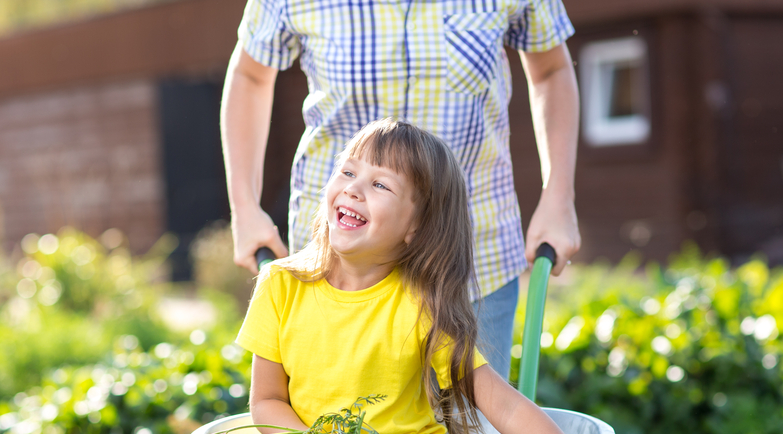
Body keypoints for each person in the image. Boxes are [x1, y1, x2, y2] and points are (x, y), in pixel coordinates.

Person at [235, 119, 648, 434]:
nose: (354, 189)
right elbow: (266, 401)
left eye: (381, 186)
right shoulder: (282, 284)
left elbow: (501, 404)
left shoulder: (419, 302)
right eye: (348, 171)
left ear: (415, 228)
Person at [222, 0, 582, 377]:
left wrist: (559, 197)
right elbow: (251, 76)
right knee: (334, 427)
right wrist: (244, 207)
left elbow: (551, 69)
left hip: (474, 261)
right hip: (337, 265)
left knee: (476, 429)